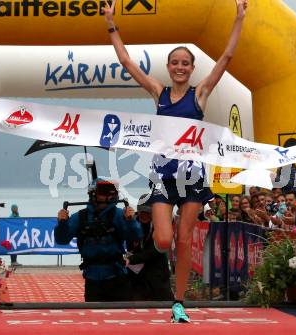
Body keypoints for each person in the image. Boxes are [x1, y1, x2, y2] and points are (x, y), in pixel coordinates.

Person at [103, 0, 248, 323]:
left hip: (193, 178)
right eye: (175, 63)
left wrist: (239, 18)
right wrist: (111, 23)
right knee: (164, 239)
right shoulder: (160, 93)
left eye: (185, 63)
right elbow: (127, 61)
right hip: (162, 178)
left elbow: (226, 57)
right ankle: (164, 254)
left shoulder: (200, 95)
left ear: (191, 68)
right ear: (169, 68)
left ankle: (178, 302)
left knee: (183, 239)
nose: (180, 67)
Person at [55, 179, 142, 302]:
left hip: (117, 277)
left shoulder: (118, 215)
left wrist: (131, 221)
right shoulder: (80, 217)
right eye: (104, 193)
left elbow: (136, 237)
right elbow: (62, 240)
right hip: (92, 280)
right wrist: (62, 223)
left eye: (110, 193)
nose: (109, 196)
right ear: (93, 194)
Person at [126, 194, 174, 301]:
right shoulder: (132, 223)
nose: (145, 215)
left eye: (148, 213)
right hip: (137, 277)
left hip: (158, 274)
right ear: (138, 210)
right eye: (142, 212)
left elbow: (154, 251)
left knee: (167, 307)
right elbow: (129, 245)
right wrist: (128, 224)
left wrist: (130, 259)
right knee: (136, 309)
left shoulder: (161, 224)